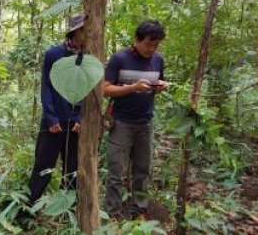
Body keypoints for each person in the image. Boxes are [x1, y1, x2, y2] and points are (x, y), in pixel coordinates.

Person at [20, 14, 86, 223]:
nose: (88, 34)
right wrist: (50, 118)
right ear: (74, 31)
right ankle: (26, 214)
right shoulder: (54, 54)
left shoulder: (89, 57)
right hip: (54, 123)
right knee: (43, 167)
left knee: (73, 170)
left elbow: (89, 89)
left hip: (76, 125)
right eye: (84, 30)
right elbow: (46, 87)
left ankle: (68, 217)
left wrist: (80, 117)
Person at [102, 20, 169, 219]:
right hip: (121, 122)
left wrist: (160, 86)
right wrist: (132, 87)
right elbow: (104, 90)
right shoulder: (119, 59)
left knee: (142, 170)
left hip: (145, 122)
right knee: (116, 171)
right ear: (137, 40)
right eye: (148, 44)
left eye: (156, 45)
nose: (152, 49)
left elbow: (154, 86)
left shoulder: (158, 60)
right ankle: (112, 212)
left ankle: (139, 208)